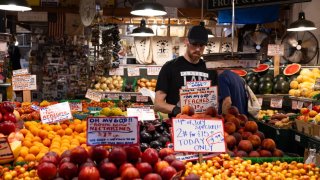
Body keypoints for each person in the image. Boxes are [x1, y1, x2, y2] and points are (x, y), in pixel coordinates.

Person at [154, 25, 218, 118]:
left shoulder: (210, 69)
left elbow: (215, 102)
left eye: (201, 45)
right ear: (186, 41)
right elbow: (158, 104)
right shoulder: (170, 67)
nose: (197, 49)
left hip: (204, 126)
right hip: (178, 126)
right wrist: (177, 110)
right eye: (194, 44)